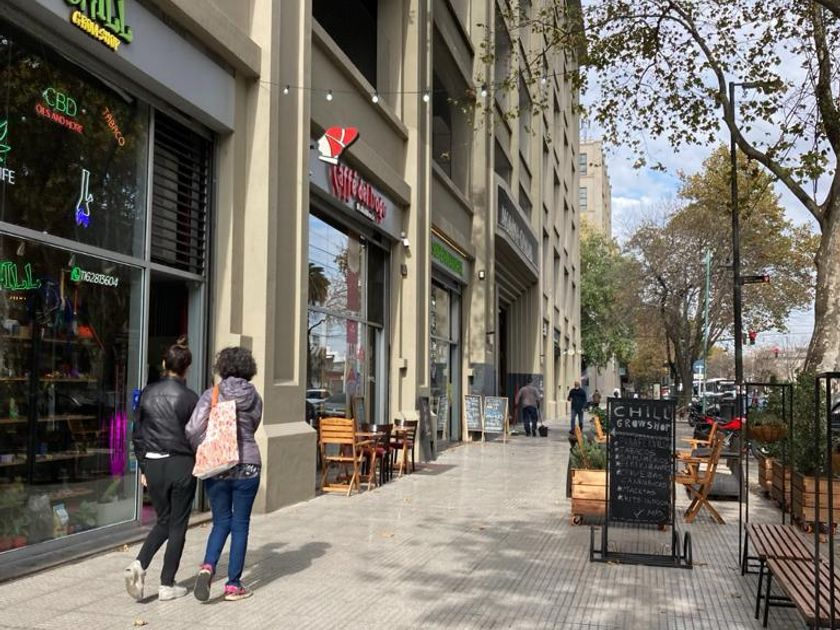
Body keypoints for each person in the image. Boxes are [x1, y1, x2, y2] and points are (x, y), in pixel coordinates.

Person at [125, 337, 198, 602]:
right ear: (186, 368)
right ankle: (167, 583)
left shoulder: (147, 393)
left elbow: (137, 434)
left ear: (165, 364)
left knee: (164, 520)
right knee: (177, 525)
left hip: (153, 464)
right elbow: (197, 435)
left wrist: (143, 465)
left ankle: (139, 564)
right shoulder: (191, 398)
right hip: (181, 463)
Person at [187, 347, 263, 602]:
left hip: (218, 465)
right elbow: (253, 426)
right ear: (248, 368)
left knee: (220, 521)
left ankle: (208, 566)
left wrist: (206, 445)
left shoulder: (212, 394)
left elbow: (193, 428)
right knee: (240, 523)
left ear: (223, 367)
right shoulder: (254, 396)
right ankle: (233, 585)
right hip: (249, 464)